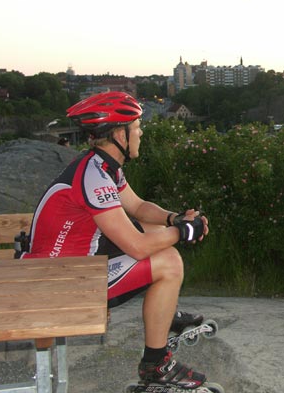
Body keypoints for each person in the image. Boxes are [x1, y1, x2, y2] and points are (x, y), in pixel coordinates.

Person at [22, 91, 211, 389]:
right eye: (137, 127)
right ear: (119, 133)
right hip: (61, 282)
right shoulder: (94, 176)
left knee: (151, 230)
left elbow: (137, 208)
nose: (141, 132)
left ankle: (163, 310)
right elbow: (135, 246)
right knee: (169, 262)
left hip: (65, 268)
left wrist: (174, 219)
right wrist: (184, 232)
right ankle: (155, 364)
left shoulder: (101, 166)